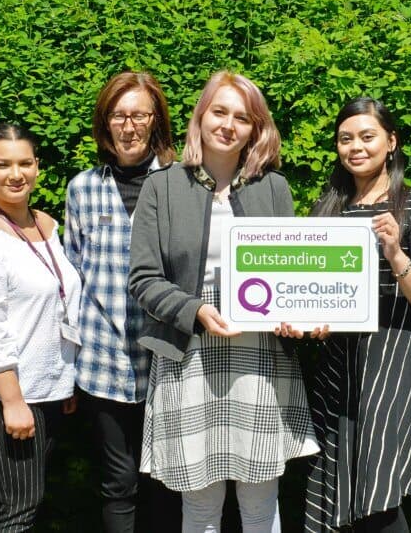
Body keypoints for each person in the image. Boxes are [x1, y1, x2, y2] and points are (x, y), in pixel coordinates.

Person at [128, 71, 319, 533]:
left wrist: (294, 315)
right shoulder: (162, 186)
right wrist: (194, 311)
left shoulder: (274, 188)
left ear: (256, 129)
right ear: (200, 116)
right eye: (220, 112)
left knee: (260, 500)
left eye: (242, 117)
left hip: (259, 351)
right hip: (191, 347)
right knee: (200, 504)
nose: (229, 125)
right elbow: (144, 279)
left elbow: (290, 274)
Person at [305, 96, 411, 532]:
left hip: (392, 360)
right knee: (340, 488)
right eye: (345, 139)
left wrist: (395, 252)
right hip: (335, 363)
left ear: (391, 141)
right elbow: (309, 291)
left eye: (367, 137)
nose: (356, 147)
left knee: (380, 491)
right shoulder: (325, 210)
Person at [64, 71, 180, 532]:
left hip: (169, 360)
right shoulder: (83, 189)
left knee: (168, 481)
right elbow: (74, 274)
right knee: (118, 483)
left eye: (139, 115)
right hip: (103, 362)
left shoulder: (181, 185)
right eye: (118, 115)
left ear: (156, 121)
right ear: (105, 123)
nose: (129, 127)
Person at [0, 123, 82, 531]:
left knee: (23, 500)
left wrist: (62, 381)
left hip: (46, 388)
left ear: (37, 167)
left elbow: (56, 304)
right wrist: (13, 401)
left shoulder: (47, 225)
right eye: (3, 164)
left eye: (25, 163)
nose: (16, 174)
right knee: (19, 505)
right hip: (3, 394)